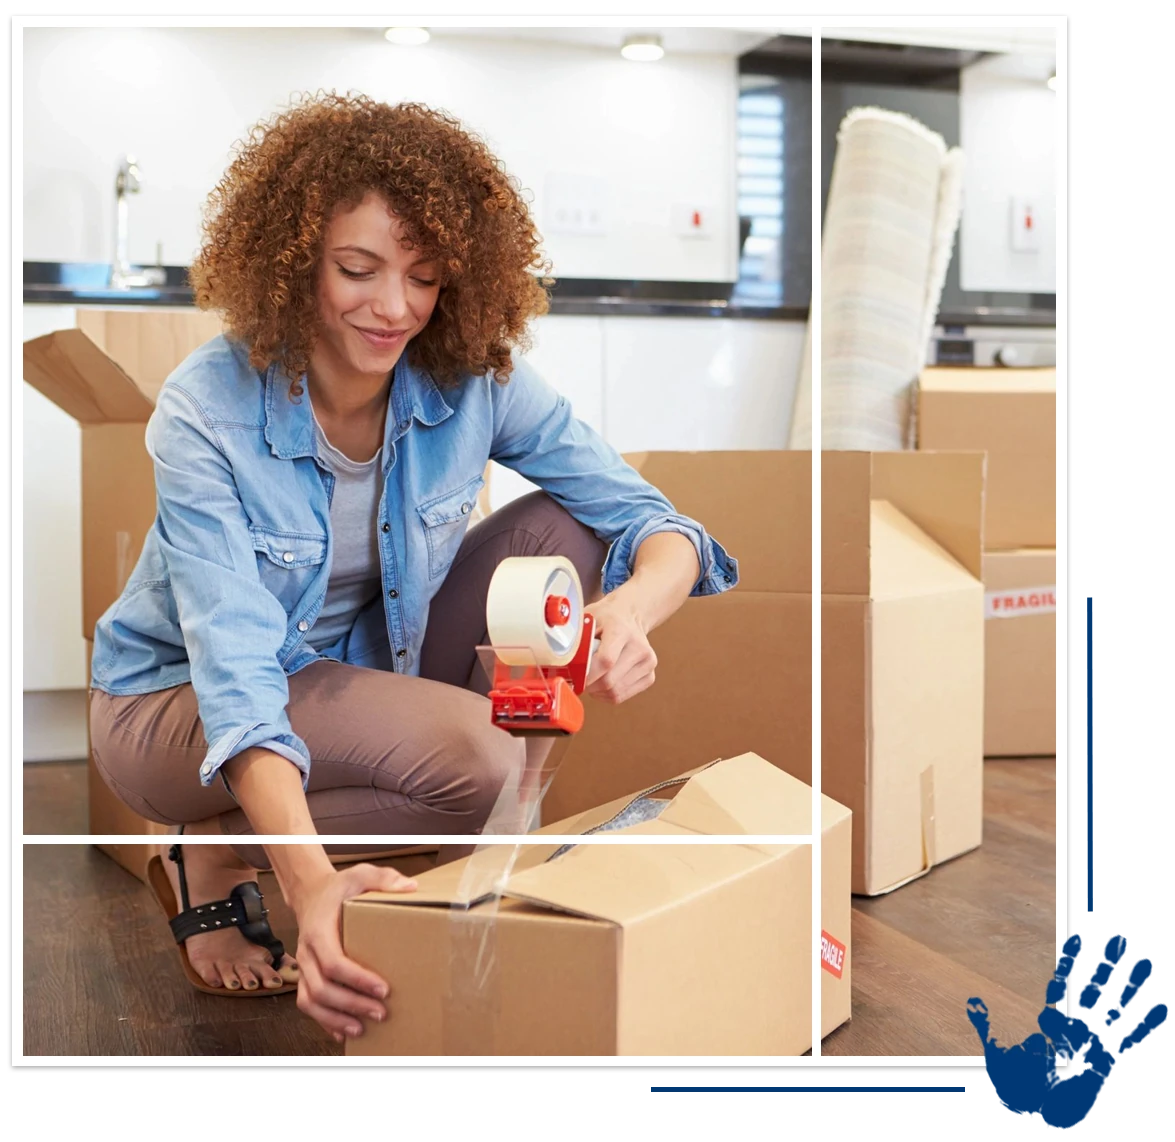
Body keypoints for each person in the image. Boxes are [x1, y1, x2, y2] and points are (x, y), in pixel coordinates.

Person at [88, 93, 738, 1045]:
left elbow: (657, 522)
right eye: (357, 269)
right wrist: (313, 892)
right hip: (173, 706)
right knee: (478, 757)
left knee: (567, 526)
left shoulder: (472, 378)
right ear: (293, 259)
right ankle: (239, 849)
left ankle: (256, 845)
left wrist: (635, 607)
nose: (394, 308)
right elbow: (235, 673)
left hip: (354, 671)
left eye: (425, 277)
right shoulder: (208, 410)